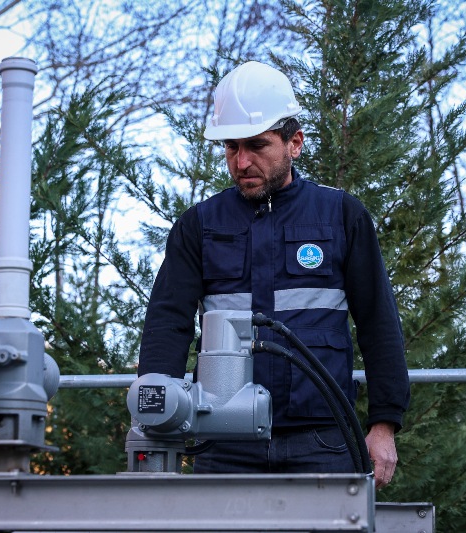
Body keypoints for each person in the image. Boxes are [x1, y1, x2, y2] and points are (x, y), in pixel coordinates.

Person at [137, 61, 410, 489]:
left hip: (323, 440)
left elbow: (379, 322)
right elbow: (167, 324)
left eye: (257, 145)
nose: (241, 161)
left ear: (294, 143)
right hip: (222, 444)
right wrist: (156, 416)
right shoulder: (198, 226)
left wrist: (384, 424)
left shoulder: (342, 216)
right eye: (231, 147)